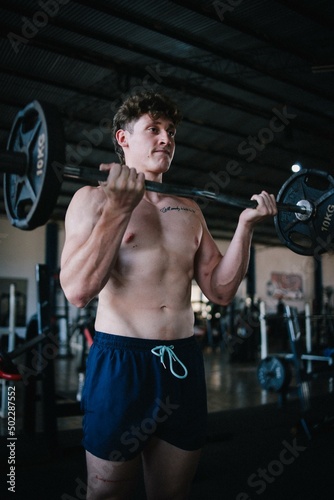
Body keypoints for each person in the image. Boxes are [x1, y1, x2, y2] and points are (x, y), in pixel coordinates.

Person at [60, 91, 277, 500]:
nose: (166, 139)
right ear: (123, 139)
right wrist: (120, 209)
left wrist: (246, 227)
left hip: (182, 364)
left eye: (171, 132)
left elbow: (221, 291)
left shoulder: (190, 209)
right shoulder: (92, 199)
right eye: (154, 130)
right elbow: (76, 291)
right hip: (122, 364)